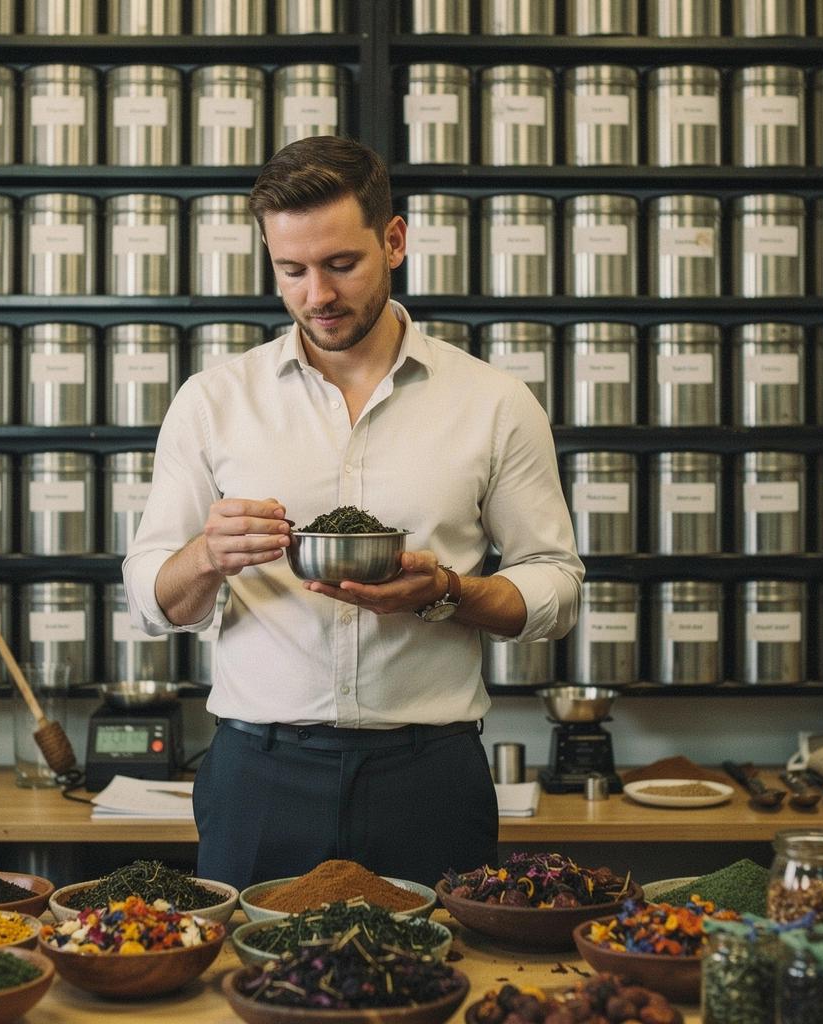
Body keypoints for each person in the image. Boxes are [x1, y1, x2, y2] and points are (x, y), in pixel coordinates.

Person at [123, 136, 583, 889]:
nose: (317, 296)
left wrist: (449, 593)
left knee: (443, 992)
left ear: (394, 240)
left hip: (429, 777)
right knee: (245, 995)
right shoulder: (213, 403)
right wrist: (206, 555)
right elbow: (151, 599)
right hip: (257, 776)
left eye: (341, 264)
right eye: (291, 270)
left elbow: (556, 588)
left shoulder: (493, 404)